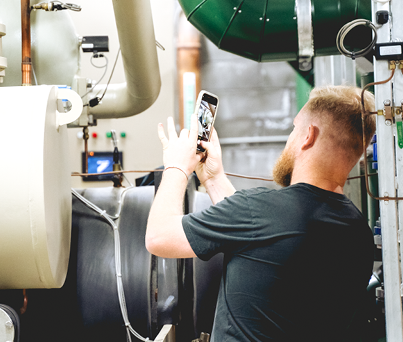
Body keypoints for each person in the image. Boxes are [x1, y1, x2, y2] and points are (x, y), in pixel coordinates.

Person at [145, 85, 376, 341]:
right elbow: (262, 242)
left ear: (308, 136)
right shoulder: (359, 233)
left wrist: (176, 166)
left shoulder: (258, 209)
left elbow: (159, 237)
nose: (291, 137)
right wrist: (213, 178)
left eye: (294, 128)